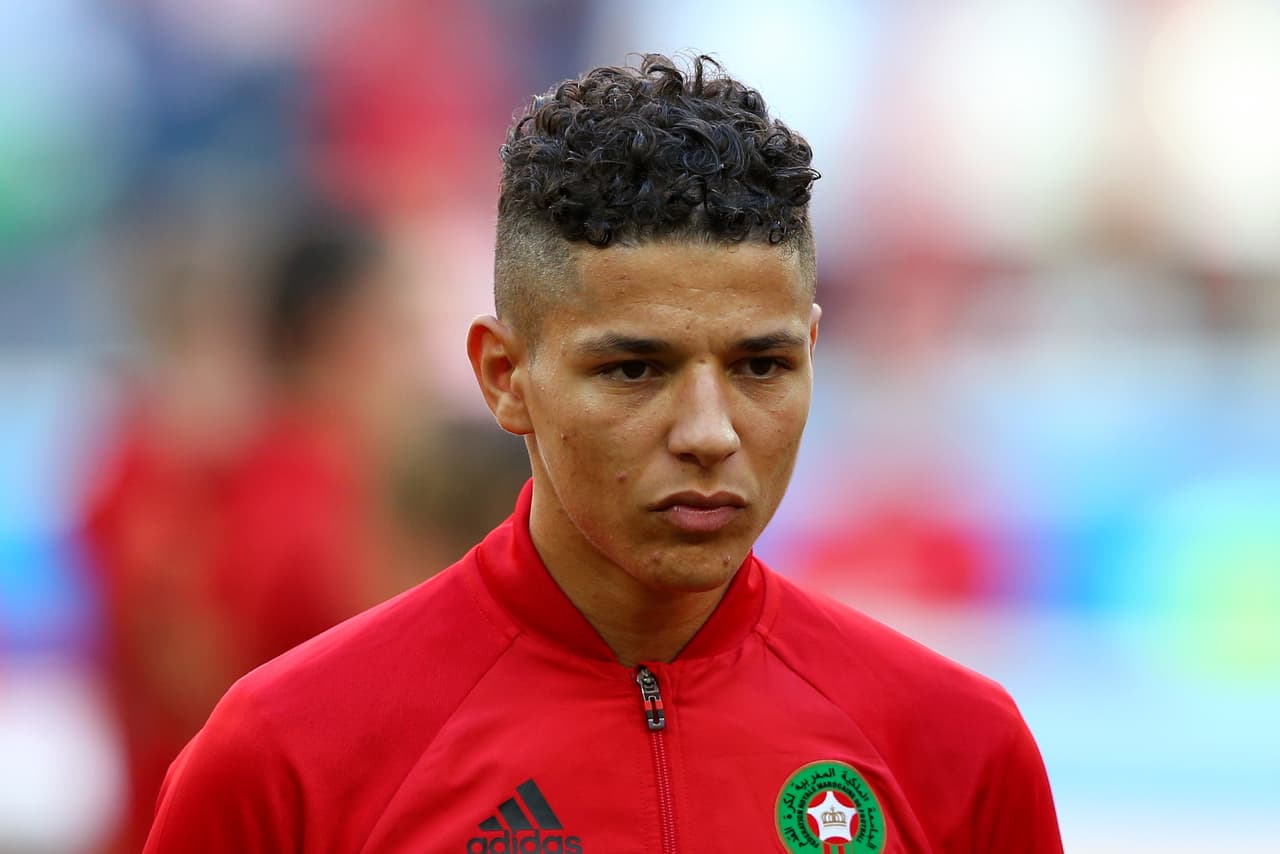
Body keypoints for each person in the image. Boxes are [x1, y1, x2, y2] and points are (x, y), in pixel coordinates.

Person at [144, 55, 1063, 853]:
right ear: (505, 377)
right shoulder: (287, 755)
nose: (709, 430)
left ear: (813, 356)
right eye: (634, 369)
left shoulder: (957, 749)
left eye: (761, 365)